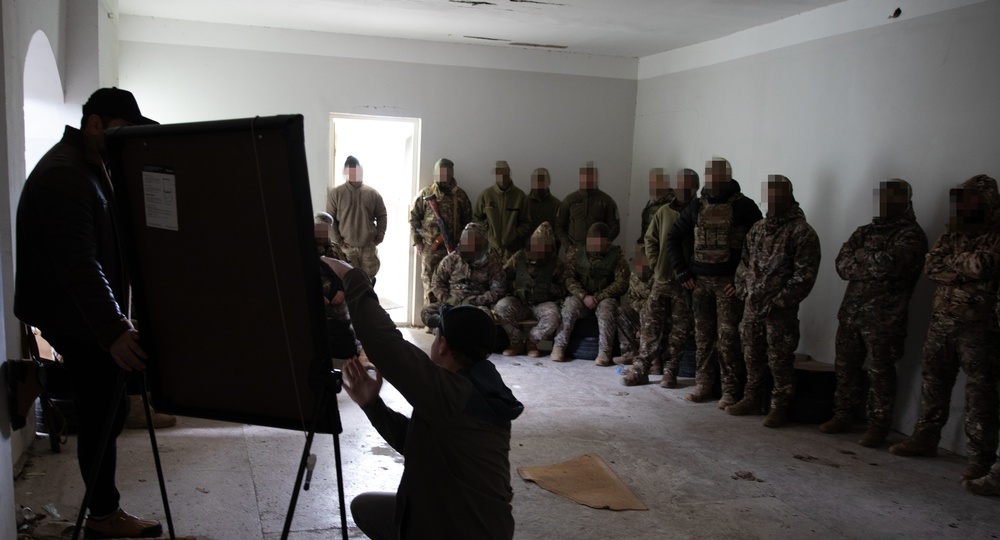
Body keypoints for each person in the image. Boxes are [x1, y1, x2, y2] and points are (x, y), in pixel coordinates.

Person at [14, 87, 163, 538]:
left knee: (109, 409)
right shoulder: (66, 175)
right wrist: (114, 328)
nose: (127, 141)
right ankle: (103, 516)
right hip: (78, 317)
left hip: (84, 315)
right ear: (94, 124)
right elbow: (79, 264)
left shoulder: (88, 168)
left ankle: (102, 510)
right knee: (101, 412)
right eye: (122, 130)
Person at [326, 255, 524, 540]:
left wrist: (352, 276)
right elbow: (418, 442)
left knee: (376, 511)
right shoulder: (481, 382)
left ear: (442, 345)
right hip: (487, 528)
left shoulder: (451, 393)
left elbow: (383, 341)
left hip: (460, 531)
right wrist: (372, 405)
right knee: (366, 508)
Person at [889, 174, 1000, 483]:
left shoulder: (995, 234)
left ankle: (980, 459)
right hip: (942, 323)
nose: (965, 205)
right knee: (933, 383)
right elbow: (931, 267)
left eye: (972, 199)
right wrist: (966, 267)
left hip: (979, 327)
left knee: (981, 393)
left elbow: (987, 264)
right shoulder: (953, 233)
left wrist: (955, 266)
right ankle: (925, 438)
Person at [819, 180, 928, 447]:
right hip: (851, 314)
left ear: (905, 201)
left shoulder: (911, 235)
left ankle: (878, 426)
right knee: (845, 367)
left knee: (880, 372)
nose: (883, 203)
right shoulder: (864, 232)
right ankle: (842, 415)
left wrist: (862, 258)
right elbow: (842, 265)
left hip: (884, 318)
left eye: (891, 197)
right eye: (881, 197)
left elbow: (892, 266)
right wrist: (872, 260)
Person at [666, 157, 763, 407]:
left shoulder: (746, 208)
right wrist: (682, 272)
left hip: (728, 285)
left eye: (718, 176)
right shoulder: (697, 207)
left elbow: (758, 249)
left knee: (729, 339)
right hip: (701, 283)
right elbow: (673, 237)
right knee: (703, 338)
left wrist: (741, 280)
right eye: (709, 176)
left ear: (728, 177)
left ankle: (730, 391)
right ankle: (704, 385)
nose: (713, 181)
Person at [727, 176, 820, 428]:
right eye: (768, 195)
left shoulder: (802, 232)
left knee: (779, 360)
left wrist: (779, 301)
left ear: (789, 195)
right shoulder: (758, 229)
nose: (772, 200)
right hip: (752, 308)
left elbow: (805, 277)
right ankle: (752, 398)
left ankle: (779, 407)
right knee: (752, 355)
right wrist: (744, 291)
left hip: (780, 312)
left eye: (778, 194)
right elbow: (743, 263)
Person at [621, 170, 698, 387]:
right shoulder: (663, 212)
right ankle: (641, 369)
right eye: (680, 184)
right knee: (650, 324)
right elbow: (650, 240)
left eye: (689, 185)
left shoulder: (700, 212)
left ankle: (671, 371)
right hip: (662, 280)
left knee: (680, 330)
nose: (684, 189)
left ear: (696, 187)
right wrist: (656, 265)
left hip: (687, 284)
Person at [551, 223, 629, 366]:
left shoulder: (617, 255)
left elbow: (622, 283)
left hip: (604, 298)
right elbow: (568, 278)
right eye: (592, 241)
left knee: (607, 311)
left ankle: (604, 352)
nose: (596, 245)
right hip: (582, 297)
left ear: (607, 241)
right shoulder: (575, 252)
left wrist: (599, 297)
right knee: (569, 307)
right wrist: (583, 296)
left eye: (600, 242)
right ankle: (559, 346)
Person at [495, 222, 566, 357]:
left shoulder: (556, 263)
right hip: (520, 302)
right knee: (501, 308)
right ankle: (516, 343)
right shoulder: (519, 257)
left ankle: (531, 341)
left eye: (545, 246)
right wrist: (517, 286)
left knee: (554, 316)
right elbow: (503, 278)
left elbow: (564, 289)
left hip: (543, 303)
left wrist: (550, 288)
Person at [410, 158, 473, 307]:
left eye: (446, 172)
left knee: (453, 283)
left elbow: (468, 223)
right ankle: (431, 318)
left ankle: (448, 317)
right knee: (430, 281)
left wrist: (465, 246)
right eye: (440, 172)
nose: (443, 176)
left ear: (451, 173)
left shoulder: (460, 196)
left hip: (454, 248)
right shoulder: (426, 193)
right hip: (430, 247)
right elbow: (414, 219)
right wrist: (417, 240)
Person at [419, 222, 506, 327]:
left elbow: (498, 290)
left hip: (477, 306)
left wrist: (477, 300)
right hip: (452, 303)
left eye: (472, 240)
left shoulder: (491, 263)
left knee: (486, 317)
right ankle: (445, 328)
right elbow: (437, 284)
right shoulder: (451, 260)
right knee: (427, 311)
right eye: (464, 239)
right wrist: (451, 300)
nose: (466, 243)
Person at [326, 155, 388, 278]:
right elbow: (329, 219)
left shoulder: (372, 194)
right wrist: (339, 242)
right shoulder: (336, 194)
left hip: (368, 248)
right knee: (349, 285)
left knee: (368, 283)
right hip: (347, 249)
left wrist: (378, 238)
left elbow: (382, 215)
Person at [474, 160, 531, 262]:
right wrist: (488, 234)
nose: (501, 176)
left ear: (509, 173)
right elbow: (476, 219)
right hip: (490, 251)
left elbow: (526, 222)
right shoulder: (486, 195)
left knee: (511, 277)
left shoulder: (520, 196)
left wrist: (515, 234)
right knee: (491, 278)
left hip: (513, 251)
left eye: (504, 172)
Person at [555, 162, 620, 249]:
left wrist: (603, 244)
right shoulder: (569, 200)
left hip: (599, 252)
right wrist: (568, 246)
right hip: (575, 250)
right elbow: (559, 225)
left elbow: (615, 227)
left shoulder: (606, 201)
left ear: (596, 178)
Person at [613, 243, 653, 365]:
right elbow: (631, 300)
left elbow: (659, 303)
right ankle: (630, 351)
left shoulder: (659, 276)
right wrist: (642, 307)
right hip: (640, 315)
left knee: (651, 312)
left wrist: (644, 308)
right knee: (621, 311)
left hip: (657, 320)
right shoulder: (634, 275)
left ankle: (653, 359)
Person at [526, 168, 561, 249]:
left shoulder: (557, 204)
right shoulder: (523, 202)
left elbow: (560, 231)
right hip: (526, 251)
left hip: (549, 252)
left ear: (548, 181)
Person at [636, 168, 672, 243]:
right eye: (651, 182)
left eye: (656, 182)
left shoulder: (671, 204)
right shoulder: (652, 202)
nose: (652, 185)